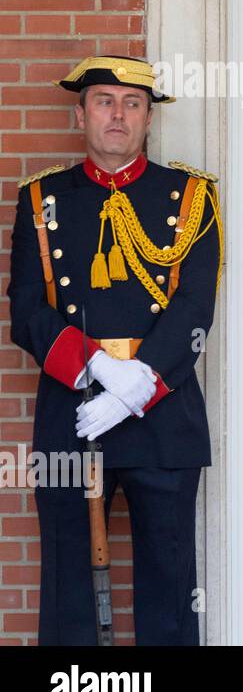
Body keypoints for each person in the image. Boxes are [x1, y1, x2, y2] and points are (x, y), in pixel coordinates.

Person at [7, 56, 223, 645]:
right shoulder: (41, 200)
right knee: (69, 593)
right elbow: (26, 309)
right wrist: (95, 367)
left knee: (169, 589)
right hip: (73, 414)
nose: (118, 115)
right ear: (80, 114)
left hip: (162, 414)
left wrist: (135, 388)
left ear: (149, 118)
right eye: (104, 101)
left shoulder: (191, 196)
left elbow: (193, 309)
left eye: (132, 104)